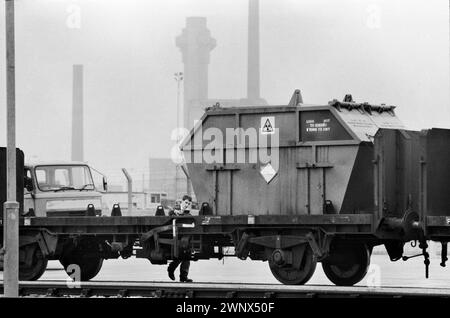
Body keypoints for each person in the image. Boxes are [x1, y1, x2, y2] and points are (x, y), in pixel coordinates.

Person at [167, 194, 193, 282]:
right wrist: (176, 212)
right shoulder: (175, 210)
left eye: (189, 203)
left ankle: (183, 277)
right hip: (176, 236)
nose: (187, 204)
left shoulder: (188, 213)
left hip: (184, 237)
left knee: (187, 257)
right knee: (181, 257)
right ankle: (171, 269)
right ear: (182, 201)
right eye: (186, 202)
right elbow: (169, 216)